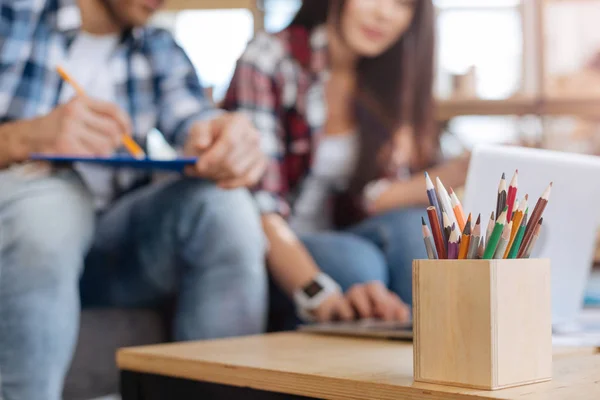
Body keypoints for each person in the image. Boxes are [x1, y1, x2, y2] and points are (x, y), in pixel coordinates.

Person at [0, 0, 268, 398]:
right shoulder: (13, 16)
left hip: (109, 247)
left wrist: (221, 139)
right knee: (53, 203)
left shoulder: (157, 46)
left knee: (224, 206)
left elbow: (194, 117)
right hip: (24, 237)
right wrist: (19, 139)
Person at [224, 0, 469, 327]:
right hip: (277, 248)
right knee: (359, 267)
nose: (384, 13)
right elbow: (257, 206)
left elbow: (371, 199)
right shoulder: (270, 58)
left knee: (416, 232)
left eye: (403, 4)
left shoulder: (388, 80)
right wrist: (319, 293)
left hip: (342, 236)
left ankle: (443, 355)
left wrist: (457, 173)